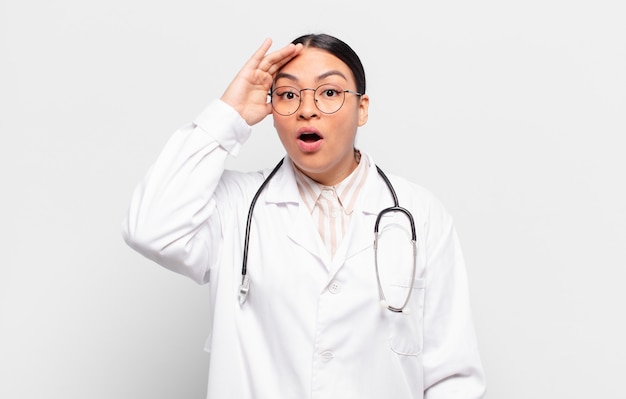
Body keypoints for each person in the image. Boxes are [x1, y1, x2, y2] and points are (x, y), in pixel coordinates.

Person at [122, 33, 486, 398]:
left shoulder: (418, 214)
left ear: (362, 109)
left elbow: (453, 378)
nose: (306, 110)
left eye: (329, 92)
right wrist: (228, 115)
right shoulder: (235, 206)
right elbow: (150, 229)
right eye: (288, 95)